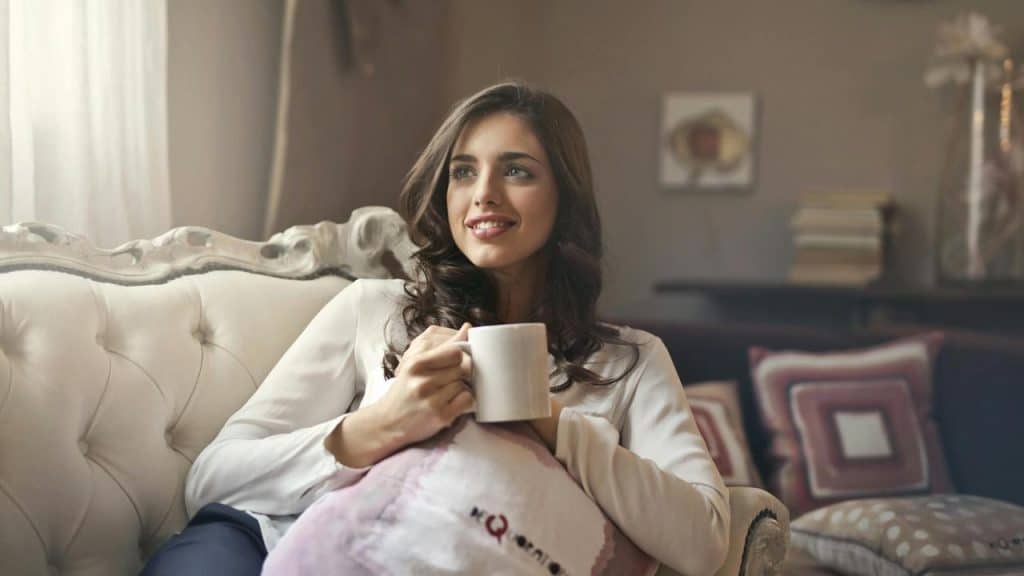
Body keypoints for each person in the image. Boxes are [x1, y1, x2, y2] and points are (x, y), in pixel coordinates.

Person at [140, 81, 729, 575]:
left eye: (517, 171)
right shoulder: (375, 309)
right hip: (274, 545)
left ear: (565, 197)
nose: (483, 196)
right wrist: (379, 426)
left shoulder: (630, 361)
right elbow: (213, 477)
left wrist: (552, 424)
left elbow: (704, 541)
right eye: (463, 172)